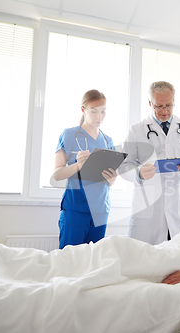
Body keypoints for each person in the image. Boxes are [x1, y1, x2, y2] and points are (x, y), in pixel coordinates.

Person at [119, 81, 180, 245]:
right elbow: (124, 167)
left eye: (169, 105)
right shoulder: (136, 130)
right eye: (159, 106)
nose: (165, 111)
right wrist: (138, 173)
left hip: (178, 207)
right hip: (148, 211)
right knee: (145, 262)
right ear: (150, 103)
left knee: (179, 258)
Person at [52, 89, 117, 249]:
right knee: (69, 261)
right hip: (75, 209)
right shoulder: (69, 135)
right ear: (83, 110)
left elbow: (109, 183)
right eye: (94, 111)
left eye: (103, 112)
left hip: (100, 210)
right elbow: (57, 175)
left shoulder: (108, 141)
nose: (99, 117)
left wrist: (112, 178)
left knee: (92, 262)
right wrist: (78, 166)